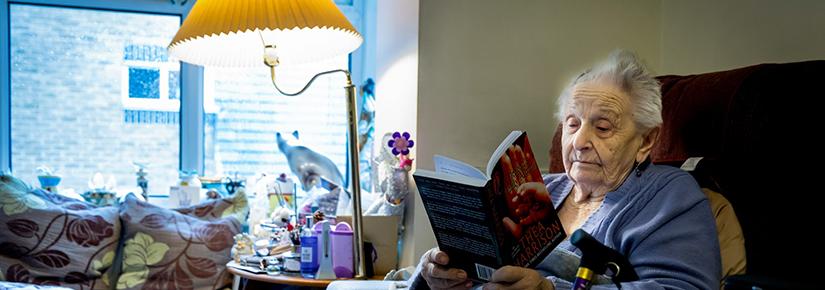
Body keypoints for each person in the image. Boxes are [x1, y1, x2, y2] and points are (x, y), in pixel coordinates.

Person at [413, 50, 721, 289]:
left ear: (647, 140)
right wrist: (440, 276)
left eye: (602, 127)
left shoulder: (670, 198)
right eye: (572, 124)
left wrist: (550, 289)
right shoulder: (542, 187)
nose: (579, 141)